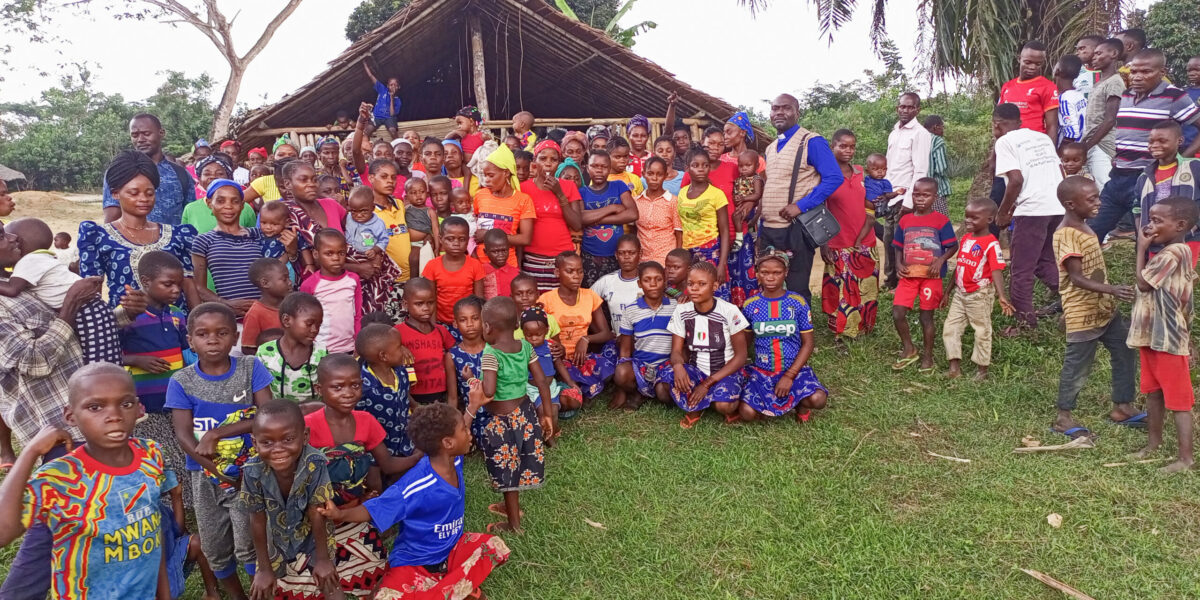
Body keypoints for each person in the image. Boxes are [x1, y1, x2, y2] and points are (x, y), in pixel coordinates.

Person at [0, 364, 171, 600]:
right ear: (70, 416)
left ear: (138, 408)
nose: (114, 416)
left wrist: (164, 594)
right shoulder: (60, 478)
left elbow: (151, 529)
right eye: (95, 407)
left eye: (126, 404)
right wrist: (30, 452)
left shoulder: (150, 454)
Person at [316, 402, 511, 598]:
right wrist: (340, 513)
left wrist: (473, 404)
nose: (469, 433)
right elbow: (374, 509)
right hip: (415, 563)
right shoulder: (416, 486)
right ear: (448, 443)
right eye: (464, 430)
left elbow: (456, 429)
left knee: (492, 545)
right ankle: (453, 588)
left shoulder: (455, 458)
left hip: (451, 552)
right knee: (387, 596)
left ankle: (445, 587)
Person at [166, 302, 274, 598]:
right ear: (190, 340)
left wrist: (218, 432)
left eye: (222, 332)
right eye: (202, 334)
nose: (212, 339)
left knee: (248, 540)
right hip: (204, 476)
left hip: (247, 474)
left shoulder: (251, 368)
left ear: (235, 337)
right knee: (214, 544)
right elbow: (183, 435)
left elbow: (267, 416)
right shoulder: (181, 381)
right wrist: (215, 470)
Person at [1051, 177, 1141, 439]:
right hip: (1082, 312)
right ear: (1070, 204)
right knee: (1077, 364)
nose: (1099, 202)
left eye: (1097, 197)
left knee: (1124, 349)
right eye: (1091, 199)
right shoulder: (1066, 235)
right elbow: (1076, 278)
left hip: (1103, 308)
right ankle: (1063, 417)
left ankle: (1122, 407)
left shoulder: (1083, 226)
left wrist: (1109, 296)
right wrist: (1112, 290)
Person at [1091, 49, 1200, 244]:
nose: (1138, 77)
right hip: (1118, 177)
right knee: (1091, 231)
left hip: (1149, 178)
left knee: (1149, 239)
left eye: (1146, 72)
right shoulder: (1125, 95)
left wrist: (1180, 159)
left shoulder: (1174, 97)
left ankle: (1147, 274)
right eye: (1134, 72)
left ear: (1162, 72)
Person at [236, 399, 342, 600]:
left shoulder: (315, 462)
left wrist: (322, 558)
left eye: (287, 439)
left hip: (313, 532)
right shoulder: (252, 471)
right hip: (275, 535)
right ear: (254, 441)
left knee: (329, 582)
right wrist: (264, 568)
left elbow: (317, 511)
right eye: (267, 442)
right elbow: (257, 519)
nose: (278, 449)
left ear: (305, 437)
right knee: (262, 588)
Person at [1126, 196, 1198, 473]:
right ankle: (1152, 445)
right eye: (1150, 219)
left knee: (1179, 401)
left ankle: (1186, 459)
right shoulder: (1177, 251)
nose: (1150, 225)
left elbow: (1143, 283)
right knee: (1153, 393)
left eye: (1157, 221)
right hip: (1152, 336)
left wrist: (1141, 248)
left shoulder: (1173, 253)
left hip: (1167, 338)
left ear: (1180, 224)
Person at [81, 150, 200, 309]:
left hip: (176, 328)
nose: (143, 199)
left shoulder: (178, 236)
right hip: (126, 330)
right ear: (115, 194)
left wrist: (196, 323)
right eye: (134, 193)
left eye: (149, 193)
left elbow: (189, 287)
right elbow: (92, 298)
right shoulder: (99, 237)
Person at [474, 296, 553, 532]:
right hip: (525, 412)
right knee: (520, 460)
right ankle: (510, 504)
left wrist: (472, 381)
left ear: (487, 327)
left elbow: (488, 390)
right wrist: (546, 414)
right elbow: (541, 381)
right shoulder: (526, 347)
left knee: (507, 468)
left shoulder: (491, 354)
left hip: (502, 420)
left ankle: (514, 524)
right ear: (517, 324)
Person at [761, 94, 844, 301]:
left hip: (796, 228)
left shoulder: (811, 141)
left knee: (797, 286)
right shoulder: (771, 148)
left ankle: (801, 331)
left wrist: (801, 205)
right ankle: (776, 330)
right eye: (775, 108)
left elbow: (834, 178)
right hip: (770, 230)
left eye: (786, 108)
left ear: (797, 113)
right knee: (770, 285)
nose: (779, 112)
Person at [992, 102, 1066, 334]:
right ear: (1020, 122)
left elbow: (1015, 180)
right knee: (1044, 260)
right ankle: (1077, 300)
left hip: (1033, 210)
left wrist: (1003, 212)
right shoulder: (1042, 138)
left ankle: (1025, 325)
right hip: (1058, 206)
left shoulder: (1004, 141)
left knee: (1021, 270)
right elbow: (1061, 171)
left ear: (997, 125)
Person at [117, 250, 190, 480]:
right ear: (146, 282)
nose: (176, 290)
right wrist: (136, 360)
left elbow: (185, 352)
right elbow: (108, 354)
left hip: (176, 397)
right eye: (168, 284)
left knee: (180, 443)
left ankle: (182, 490)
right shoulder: (129, 317)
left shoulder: (177, 315)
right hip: (145, 401)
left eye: (178, 285)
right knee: (157, 450)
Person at [741, 249, 828, 423]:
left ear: (785, 273)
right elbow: (745, 343)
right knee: (746, 413)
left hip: (794, 370)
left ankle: (801, 405)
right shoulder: (750, 305)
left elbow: (808, 344)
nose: (770, 278)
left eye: (777, 273)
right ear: (757, 274)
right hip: (763, 371)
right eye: (765, 273)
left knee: (818, 399)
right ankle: (770, 404)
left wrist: (789, 376)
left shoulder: (798, 303)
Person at [660, 261, 749, 428]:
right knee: (666, 380)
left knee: (724, 406)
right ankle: (702, 402)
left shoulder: (729, 311)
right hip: (696, 370)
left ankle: (707, 401)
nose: (694, 288)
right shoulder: (682, 310)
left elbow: (741, 356)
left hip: (724, 371)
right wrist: (678, 366)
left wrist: (706, 384)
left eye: (702, 284)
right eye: (691, 284)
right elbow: (676, 351)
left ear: (714, 286)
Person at [891, 178, 958, 372]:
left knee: (926, 317)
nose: (920, 199)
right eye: (916, 194)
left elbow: (953, 245)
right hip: (909, 275)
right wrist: (898, 264)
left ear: (934, 197)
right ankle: (909, 348)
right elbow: (898, 246)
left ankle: (928, 356)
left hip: (931, 277)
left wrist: (940, 260)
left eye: (926, 195)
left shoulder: (941, 221)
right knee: (898, 312)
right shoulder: (905, 220)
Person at [943, 201, 1014, 380]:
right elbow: (960, 266)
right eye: (967, 216)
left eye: (974, 217)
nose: (968, 220)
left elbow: (996, 270)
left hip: (979, 295)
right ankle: (954, 367)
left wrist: (1001, 295)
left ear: (989, 219)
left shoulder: (991, 244)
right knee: (950, 328)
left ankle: (982, 370)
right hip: (960, 294)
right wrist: (947, 291)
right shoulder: (966, 238)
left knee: (982, 330)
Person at [192, 179, 285, 314]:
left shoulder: (258, 234)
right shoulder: (203, 241)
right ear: (209, 203)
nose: (228, 206)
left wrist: (292, 251)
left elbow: (279, 266)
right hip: (231, 318)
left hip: (268, 312)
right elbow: (198, 287)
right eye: (220, 201)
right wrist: (225, 304)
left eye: (235, 201)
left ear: (242, 205)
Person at [820, 129, 878, 341]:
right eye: (843, 146)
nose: (848, 150)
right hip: (838, 242)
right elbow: (820, 211)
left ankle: (864, 328)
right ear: (832, 146)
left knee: (866, 288)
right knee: (843, 291)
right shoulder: (825, 175)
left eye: (852, 146)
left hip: (865, 240)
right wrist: (823, 244)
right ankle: (842, 334)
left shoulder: (862, 173)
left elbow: (872, 201)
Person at [539, 251, 615, 399]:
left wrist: (585, 339)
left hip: (582, 358)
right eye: (570, 271)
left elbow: (605, 333)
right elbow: (540, 336)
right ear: (557, 272)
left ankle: (580, 384)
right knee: (558, 370)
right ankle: (577, 384)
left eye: (580, 271)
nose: (576, 276)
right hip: (558, 359)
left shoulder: (589, 296)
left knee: (612, 357)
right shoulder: (546, 300)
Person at [102, 113, 196, 226]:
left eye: (146, 133)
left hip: (173, 243)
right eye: (135, 135)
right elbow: (111, 218)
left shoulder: (181, 174)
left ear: (161, 133)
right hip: (130, 242)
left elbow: (190, 216)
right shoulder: (120, 171)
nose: (140, 139)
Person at [613, 261, 676, 410]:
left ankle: (650, 391)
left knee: (664, 394)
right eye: (647, 280)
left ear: (665, 281)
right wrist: (620, 387)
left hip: (666, 365)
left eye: (658, 279)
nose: (653, 284)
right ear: (640, 283)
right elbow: (625, 349)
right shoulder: (631, 310)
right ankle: (637, 392)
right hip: (641, 365)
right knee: (622, 373)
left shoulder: (676, 307)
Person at [522, 140, 583, 291]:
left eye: (554, 159)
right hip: (533, 258)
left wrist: (559, 194)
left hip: (562, 259)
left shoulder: (568, 186)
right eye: (543, 158)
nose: (548, 163)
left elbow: (576, 224)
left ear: (559, 163)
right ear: (534, 162)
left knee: (561, 306)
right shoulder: (524, 188)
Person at [1134, 121, 1200, 259]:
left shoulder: (1194, 168)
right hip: (1155, 241)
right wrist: (1142, 231)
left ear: (1179, 141)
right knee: (1155, 279)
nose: (1155, 145)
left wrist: (1194, 227)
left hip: (1186, 240)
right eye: (1151, 141)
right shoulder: (1144, 176)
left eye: (1162, 141)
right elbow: (1136, 208)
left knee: (1179, 278)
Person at [579, 150, 639, 287]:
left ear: (609, 167)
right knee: (592, 296)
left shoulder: (618, 186)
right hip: (589, 255)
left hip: (616, 255)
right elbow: (581, 218)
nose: (599, 170)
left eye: (604, 166)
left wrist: (594, 219)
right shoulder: (582, 192)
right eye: (594, 166)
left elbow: (633, 214)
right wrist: (611, 208)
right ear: (587, 168)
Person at [257, 292, 328, 405]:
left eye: (319, 325)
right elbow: (260, 391)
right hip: (278, 417)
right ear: (286, 320)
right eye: (309, 324)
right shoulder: (265, 352)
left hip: (312, 417)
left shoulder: (320, 352)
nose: (315, 330)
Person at [679, 148, 732, 300]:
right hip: (688, 252)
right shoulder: (682, 193)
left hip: (711, 251)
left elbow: (725, 231)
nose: (701, 169)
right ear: (688, 168)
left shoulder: (716, 194)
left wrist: (721, 264)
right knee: (694, 295)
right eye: (696, 165)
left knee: (715, 296)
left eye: (705, 165)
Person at [356, 324, 416, 458]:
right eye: (399, 346)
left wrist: (415, 406)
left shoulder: (401, 372)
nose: (404, 350)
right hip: (378, 450)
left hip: (405, 442)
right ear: (383, 356)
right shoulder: (362, 386)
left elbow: (405, 395)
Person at [474, 145, 536, 271]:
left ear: (506, 173)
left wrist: (488, 235)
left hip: (507, 267)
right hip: (479, 266)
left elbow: (525, 238)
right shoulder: (480, 195)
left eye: (491, 175)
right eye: (484, 175)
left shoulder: (523, 200)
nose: (486, 180)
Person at [519, 305, 580, 434]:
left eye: (538, 334)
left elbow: (558, 364)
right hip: (532, 388)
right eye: (529, 335)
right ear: (523, 332)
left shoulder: (550, 345)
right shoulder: (522, 347)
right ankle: (547, 435)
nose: (534, 338)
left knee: (553, 410)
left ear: (546, 330)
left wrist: (570, 382)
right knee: (543, 411)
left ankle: (553, 428)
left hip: (550, 386)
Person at [299, 230, 362, 354]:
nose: (336, 258)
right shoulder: (310, 284)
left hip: (349, 348)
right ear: (316, 254)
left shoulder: (353, 280)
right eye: (329, 253)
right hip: (320, 350)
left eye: (341, 253)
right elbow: (305, 320)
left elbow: (357, 314)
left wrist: (357, 344)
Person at [395, 277, 455, 405]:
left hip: (441, 395)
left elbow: (455, 355)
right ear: (406, 304)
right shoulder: (396, 333)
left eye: (430, 302)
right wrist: (399, 347)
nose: (426, 308)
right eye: (419, 304)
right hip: (412, 397)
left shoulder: (441, 331)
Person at [1079, 38, 1126, 189]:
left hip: (1103, 145)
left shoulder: (1115, 82)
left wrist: (1087, 146)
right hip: (1092, 142)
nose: (1094, 57)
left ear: (1113, 54)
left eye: (1099, 53)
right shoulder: (1100, 82)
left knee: (1104, 188)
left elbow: (1110, 120)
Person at [422, 217, 485, 325]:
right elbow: (430, 300)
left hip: (467, 324)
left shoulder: (475, 265)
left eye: (461, 239)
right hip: (440, 323)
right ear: (441, 239)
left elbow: (479, 300)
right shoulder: (432, 266)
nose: (456, 243)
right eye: (450, 239)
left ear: (467, 240)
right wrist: (434, 327)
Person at [445, 295, 490, 440]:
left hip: (497, 410)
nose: (470, 324)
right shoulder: (452, 356)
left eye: (475, 318)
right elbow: (453, 398)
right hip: (473, 415)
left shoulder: (493, 349)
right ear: (456, 324)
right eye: (463, 320)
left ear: (483, 320)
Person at [885, 92, 935, 216]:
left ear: (917, 110)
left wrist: (909, 202)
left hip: (904, 197)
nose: (905, 110)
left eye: (910, 107)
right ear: (897, 109)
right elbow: (888, 166)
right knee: (888, 235)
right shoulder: (894, 133)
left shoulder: (920, 133)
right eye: (902, 107)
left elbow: (920, 170)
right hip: (890, 195)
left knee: (903, 234)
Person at [997, 41, 1060, 140]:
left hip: (1033, 145)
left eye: (1038, 64)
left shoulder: (1048, 87)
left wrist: (1050, 152)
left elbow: (1052, 126)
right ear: (1019, 59)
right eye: (1028, 62)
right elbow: (999, 121)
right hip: (1008, 144)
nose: (1032, 67)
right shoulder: (1007, 86)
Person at [181, 155, 258, 235]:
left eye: (220, 173)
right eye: (207, 174)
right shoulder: (190, 209)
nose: (213, 177)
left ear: (229, 177)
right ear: (199, 179)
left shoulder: (245, 208)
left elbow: (254, 240)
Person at [633, 156, 682, 265]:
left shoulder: (673, 201)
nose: (654, 178)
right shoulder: (636, 202)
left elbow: (679, 234)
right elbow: (633, 230)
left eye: (659, 174)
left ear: (665, 176)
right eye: (650, 174)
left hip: (666, 260)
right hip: (643, 261)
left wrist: (676, 261)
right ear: (643, 174)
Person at [240, 258, 289, 356]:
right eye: (284, 279)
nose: (290, 282)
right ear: (265, 283)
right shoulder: (255, 313)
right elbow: (247, 348)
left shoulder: (291, 306)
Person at [258, 198, 312, 284]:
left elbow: (304, 248)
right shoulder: (258, 235)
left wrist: (309, 264)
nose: (268, 227)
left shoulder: (290, 235)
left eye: (274, 224)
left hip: (286, 269)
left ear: (287, 222)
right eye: (263, 223)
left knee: (287, 288)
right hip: (266, 272)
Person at [344, 185, 390, 268]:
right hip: (350, 256)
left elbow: (384, 240)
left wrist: (374, 250)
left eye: (363, 211)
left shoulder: (377, 224)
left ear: (372, 208)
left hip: (369, 256)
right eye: (354, 211)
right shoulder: (348, 217)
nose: (358, 215)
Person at [364, 60, 402, 140]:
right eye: (391, 85)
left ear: (398, 87)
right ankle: (365, 146)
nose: (393, 87)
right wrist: (365, 65)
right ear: (388, 86)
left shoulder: (397, 100)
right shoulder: (382, 90)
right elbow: (371, 76)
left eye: (395, 85)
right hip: (377, 116)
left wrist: (391, 98)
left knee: (393, 131)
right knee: (367, 130)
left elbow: (392, 114)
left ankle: (397, 145)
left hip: (389, 118)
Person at [1056, 55, 1089, 145]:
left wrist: (1060, 153)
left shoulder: (1064, 99)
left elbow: (1072, 133)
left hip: (1069, 151)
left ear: (1057, 70)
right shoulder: (1080, 96)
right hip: (1080, 147)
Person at [923, 116, 952, 217]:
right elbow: (941, 168)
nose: (943, 130)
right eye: (942, 127)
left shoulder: (917, 138)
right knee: (941, 220)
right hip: (936, 189)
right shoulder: (937, 141)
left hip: (917, 188)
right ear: (936, 127)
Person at [481, 228, 520, 300]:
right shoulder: (481, 272)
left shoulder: (516, 274)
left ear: (509, 248)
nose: (501, 255)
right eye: (495, 252)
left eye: (504, 250)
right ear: (485, 252)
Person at [1184, 55, 1200, 155]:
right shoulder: (1183, 92)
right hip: (1182, 144)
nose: (1191, 73)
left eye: (1197, 70)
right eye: (1189, 70)